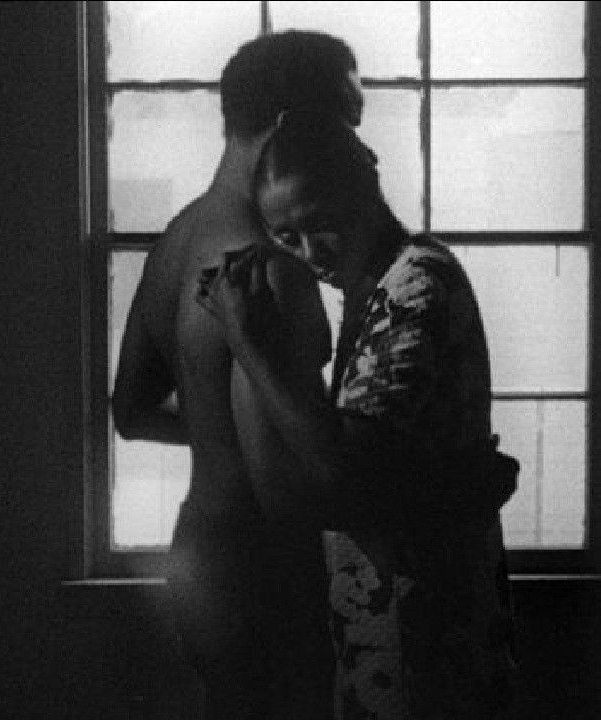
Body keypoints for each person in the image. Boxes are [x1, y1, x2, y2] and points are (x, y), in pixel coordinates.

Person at [196, 111, 520, 720]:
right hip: (386, 635)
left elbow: (343, 475)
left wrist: (246, 339)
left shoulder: (415, 285)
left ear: (365, 181)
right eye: (286, 237)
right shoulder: (367, 294)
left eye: (322, 223)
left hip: (431, 639)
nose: (310, 253)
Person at [111, 31, 364, 720]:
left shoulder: (178, 239)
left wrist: (217, 431)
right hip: (269, 570)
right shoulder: (271, 267)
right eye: (343, 125)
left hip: (200, 555)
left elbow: (131, 413)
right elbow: (286, 491)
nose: (352, 148)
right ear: (288, 127)